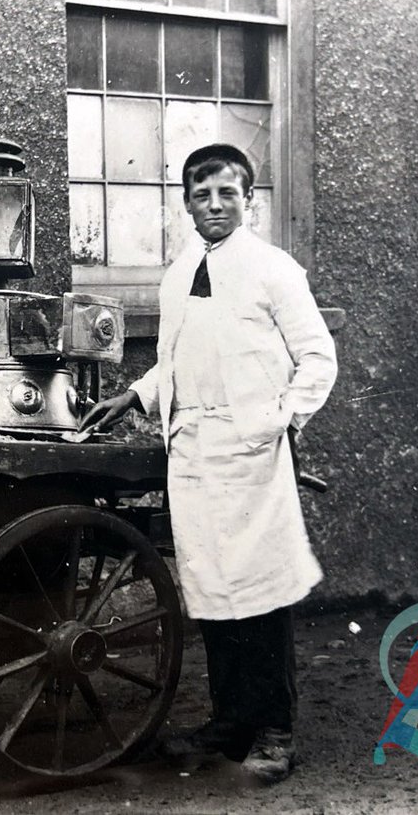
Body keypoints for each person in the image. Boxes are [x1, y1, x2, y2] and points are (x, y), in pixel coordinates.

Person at [80, 143, 337, 784]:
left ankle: (275, 730)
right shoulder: (178, 274)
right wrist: (135, 393)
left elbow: (318, 359)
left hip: (250, 452)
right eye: (202, 194)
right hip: (193, 452)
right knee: (213, 590)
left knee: (261, 593)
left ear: (249, 200)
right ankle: (230, 723)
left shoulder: (275, 270)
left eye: (227, 193)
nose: (215, 205)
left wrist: (278, 421)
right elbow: (179, 359)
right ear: (186, 204)